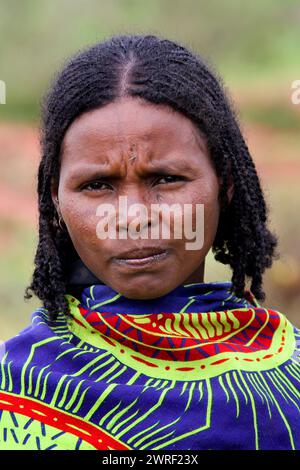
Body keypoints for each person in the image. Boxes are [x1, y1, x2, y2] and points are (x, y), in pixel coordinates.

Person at [0, 33, 299, 451]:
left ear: (225, 182)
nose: (134, 217)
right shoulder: (12, 384)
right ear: (56, 197)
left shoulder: (290, 380)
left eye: (167, 179)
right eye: (97, 184)